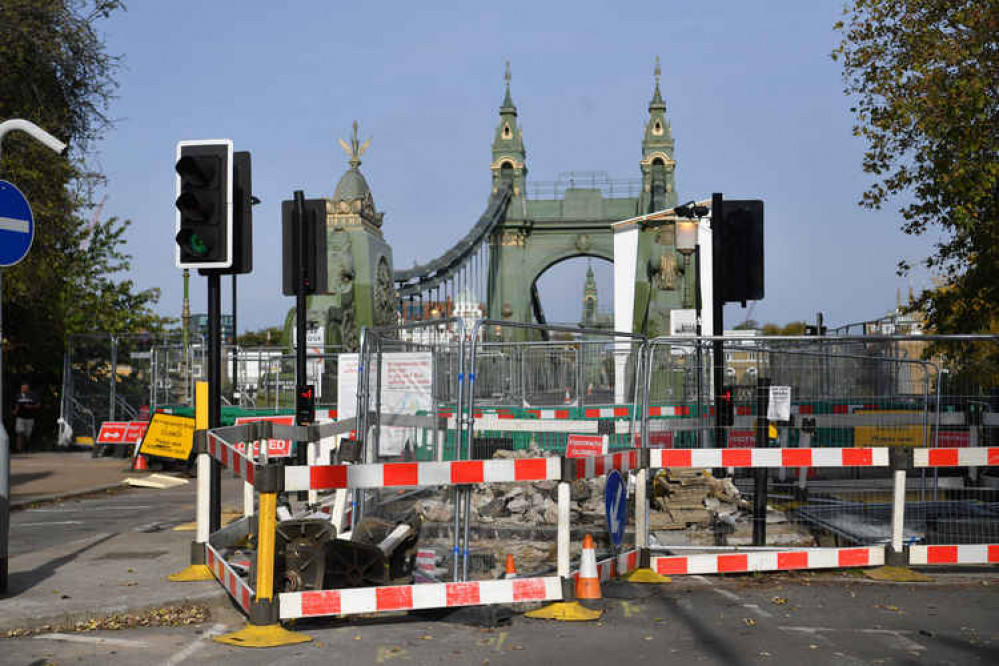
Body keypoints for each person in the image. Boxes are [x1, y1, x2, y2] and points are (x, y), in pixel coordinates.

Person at [13, 382, 40, 453]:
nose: (22, 389)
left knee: (28, 434)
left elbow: (38, 405)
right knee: (19, 432)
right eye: (22, 388)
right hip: (20, 417)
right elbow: (17, 404)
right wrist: (15, 411)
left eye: (24, 388)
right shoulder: (18, 395)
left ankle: (26, 447)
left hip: (30, 417)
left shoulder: (32, 395)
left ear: (27, 388)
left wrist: (31, 407)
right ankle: (19, 449)